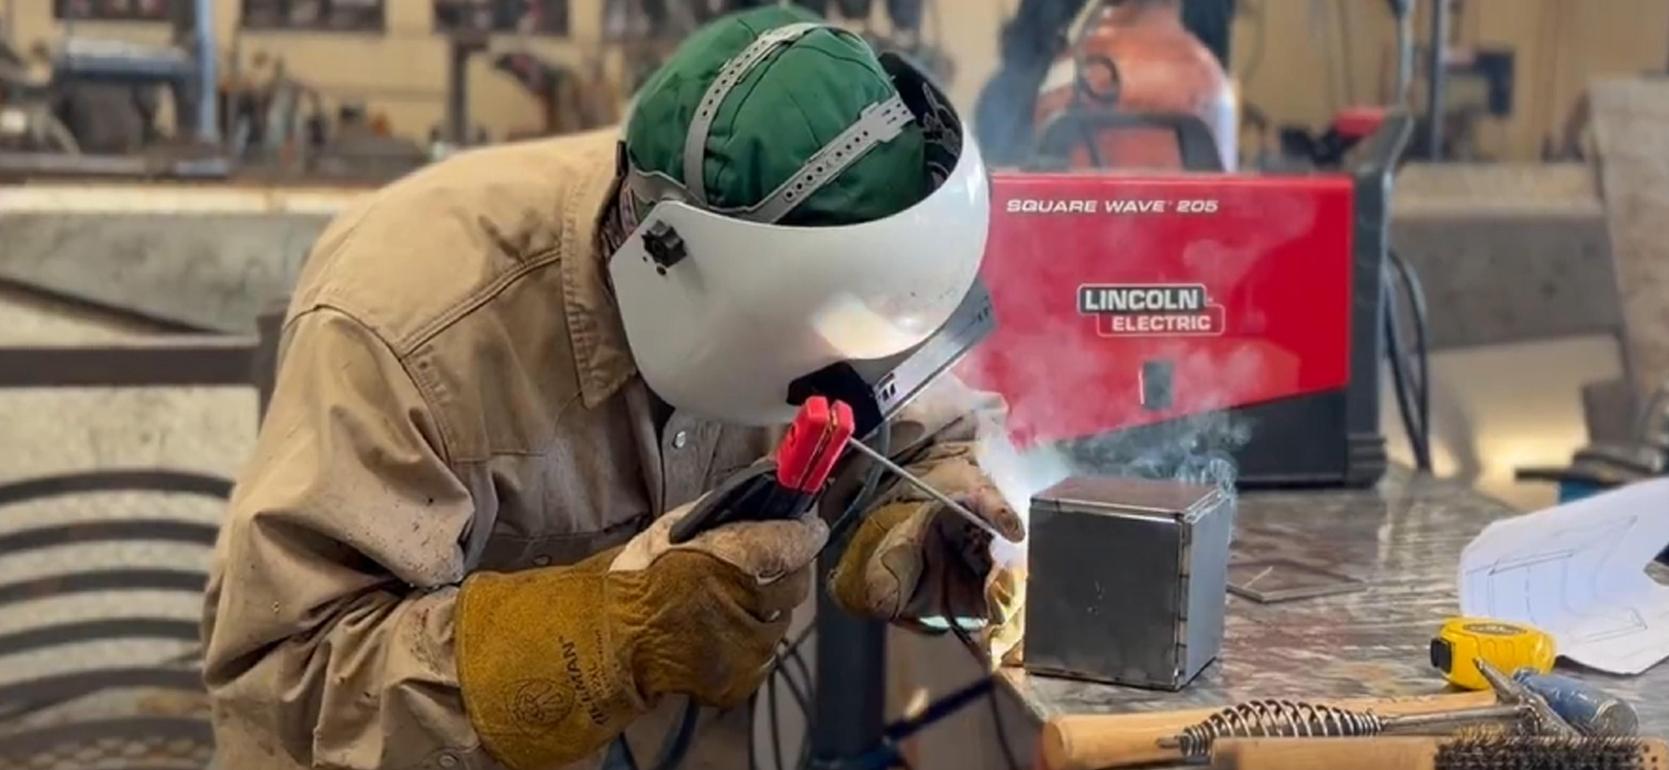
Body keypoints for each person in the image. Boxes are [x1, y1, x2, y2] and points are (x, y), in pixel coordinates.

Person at [202, 7, 1021, 770]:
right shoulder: (410, 325)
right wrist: (608, 637)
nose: (850, 359)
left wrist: (923, 510)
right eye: (830, 334)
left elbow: (906, 418)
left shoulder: (823, 275)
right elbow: (287, 684)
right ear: (689, 272)